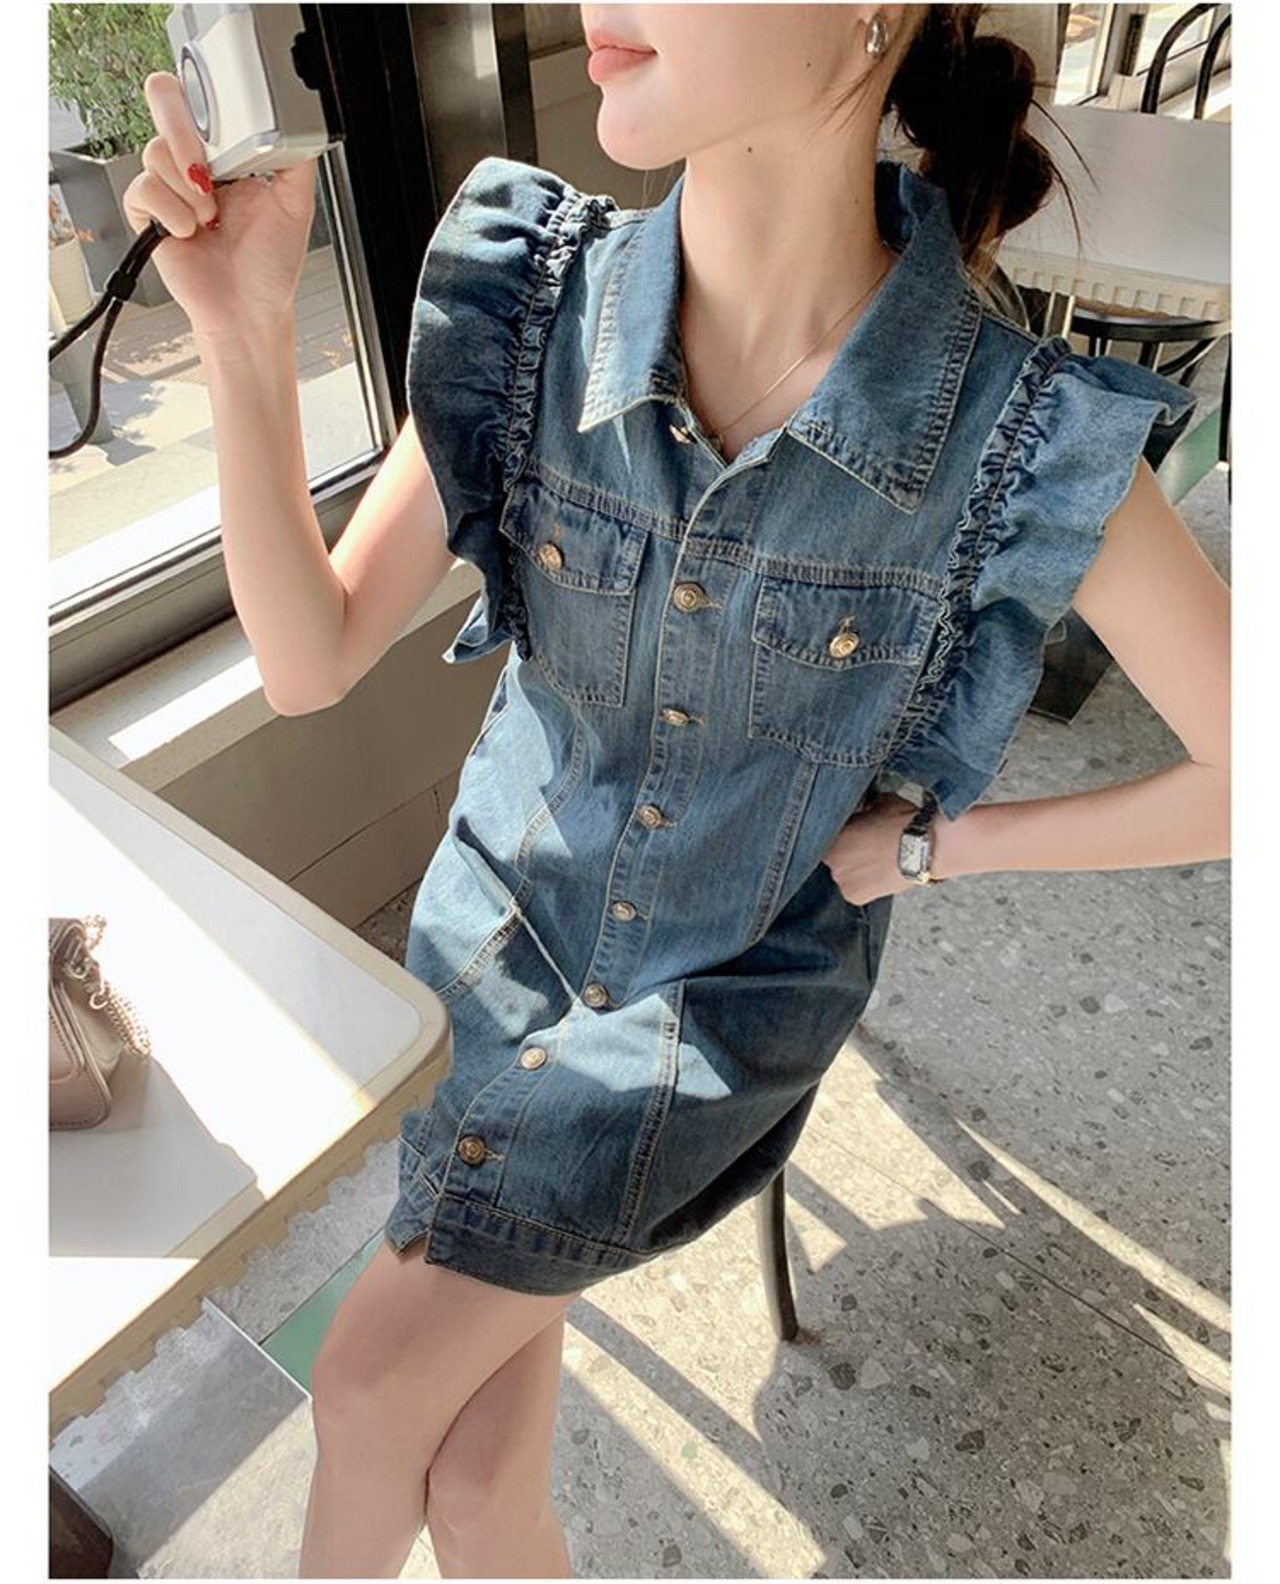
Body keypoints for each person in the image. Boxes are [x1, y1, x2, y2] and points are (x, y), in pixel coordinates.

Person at [123, 4, 1230, 1577]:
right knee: (480, 1487)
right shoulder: (533, 301)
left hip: (718, 1003)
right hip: (492, 941)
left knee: (369, 1386)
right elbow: (309, 658)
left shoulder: (1012, 434)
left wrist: (941, 848)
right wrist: (242, 337)